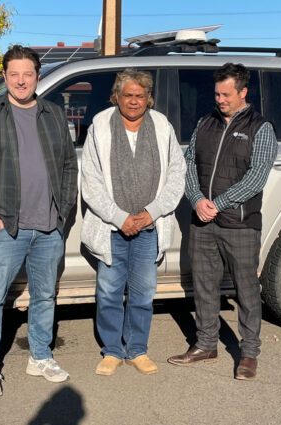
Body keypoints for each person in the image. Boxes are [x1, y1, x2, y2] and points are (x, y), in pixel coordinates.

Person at [0, 45, 78, 397]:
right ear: (5, 76)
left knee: (44, 295)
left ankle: (40, 356)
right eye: (14, 74)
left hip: (48, 226)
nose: (21, 81)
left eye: (28, 74)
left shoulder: (53, 114)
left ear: (38, 76)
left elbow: (68, 166)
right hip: (5, 227)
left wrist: (62, 211)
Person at [167, 63, 278, 380]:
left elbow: (256, 178)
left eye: (226, 94)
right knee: (204, 285)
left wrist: (218, 204)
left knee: (246, 289)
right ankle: (206, 345)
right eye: (217, 94)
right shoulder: (205, 123)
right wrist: (196, 199)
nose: (220, 100)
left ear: (243, 92)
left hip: (240, 224)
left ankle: (249, 353)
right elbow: (189, 163)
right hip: (203, 221)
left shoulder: (261, 128)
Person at [81, 69, 186, 376]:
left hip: (149, 226)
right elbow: (91, 180)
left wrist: (152, 212)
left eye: (140, 95)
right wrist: (119, 217)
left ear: (148, 98)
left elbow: (176, 174)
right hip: (112, 226)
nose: (134, 101)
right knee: (109, 292)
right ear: (117, 97)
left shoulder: (162, 125)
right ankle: (112, 350)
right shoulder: (101, 125)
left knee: (143, 292)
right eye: (128, 95)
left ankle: (137, 349)